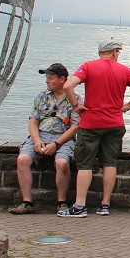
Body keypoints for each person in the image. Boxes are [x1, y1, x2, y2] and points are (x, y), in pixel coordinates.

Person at [61, 40, 130, 217]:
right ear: (114, 52)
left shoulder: (88, 66)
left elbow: (67, 86)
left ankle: (80, 206)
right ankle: (105, 205)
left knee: (85, 163)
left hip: (91, 122)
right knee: (110, 163)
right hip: (115, 122)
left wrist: (75, 105)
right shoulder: (125, 70)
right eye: (118, 52)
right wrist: (128, 106)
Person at [9, 63, 80, 215]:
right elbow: (33, 121)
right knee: (22, 160)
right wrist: (36, 140)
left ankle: (62, 202)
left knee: (62, 163)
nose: (47, 81)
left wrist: (56, 143)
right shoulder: (41, 96)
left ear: (62, 79)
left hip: (63, 137)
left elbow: (75, 127)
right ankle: (27, 202)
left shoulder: (75, 98)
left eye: (50, 78)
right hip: (40, 134)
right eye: (47, 78)